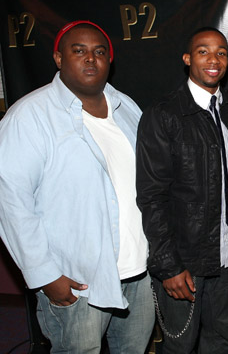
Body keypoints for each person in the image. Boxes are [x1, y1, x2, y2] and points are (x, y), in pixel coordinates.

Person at [0, 20, 154, 353]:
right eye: (78, 50)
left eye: (99, 52)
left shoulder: (127, 108)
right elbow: (10, 201)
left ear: (109, 61)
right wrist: (44, 275)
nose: (90, 59)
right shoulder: (29, 116)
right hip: (77, 281)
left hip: (138, 274)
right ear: (58, 58)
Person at [136, 27, 228, 354]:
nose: (214, 59)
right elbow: (152, 197)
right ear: (187, 59)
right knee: (179, 348)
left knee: (222, 343)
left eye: (221, 52)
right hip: (185, 263)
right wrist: (168, 265)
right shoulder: (164, 115)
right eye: (203, 51)